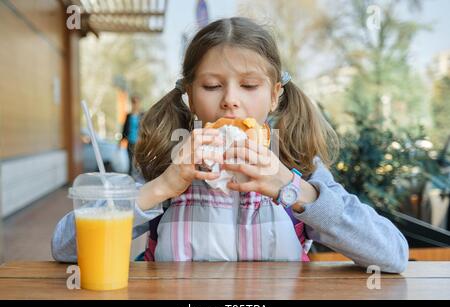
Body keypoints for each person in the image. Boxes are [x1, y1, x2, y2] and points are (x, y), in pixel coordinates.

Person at [52, 17, 409, 273]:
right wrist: (161, 187)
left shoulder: (298, 165)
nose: (230, 101)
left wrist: (294, 189)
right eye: (211, 86)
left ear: (274, 96)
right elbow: (65, 248)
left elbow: (392, 254)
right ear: (190, 96)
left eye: (249, 85)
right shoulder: (165, 162)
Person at [120, 95, 143, 175]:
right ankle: (130, 179)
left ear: (139, 103)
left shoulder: (142, 115)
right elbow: (124, 128)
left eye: (137, 102)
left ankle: (139, 179)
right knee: (130, 163)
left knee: (138, 162)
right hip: (130, 142)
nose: (135, 104)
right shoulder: (129, 115)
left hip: (140, 143)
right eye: (133, 102)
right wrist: (121, 140)